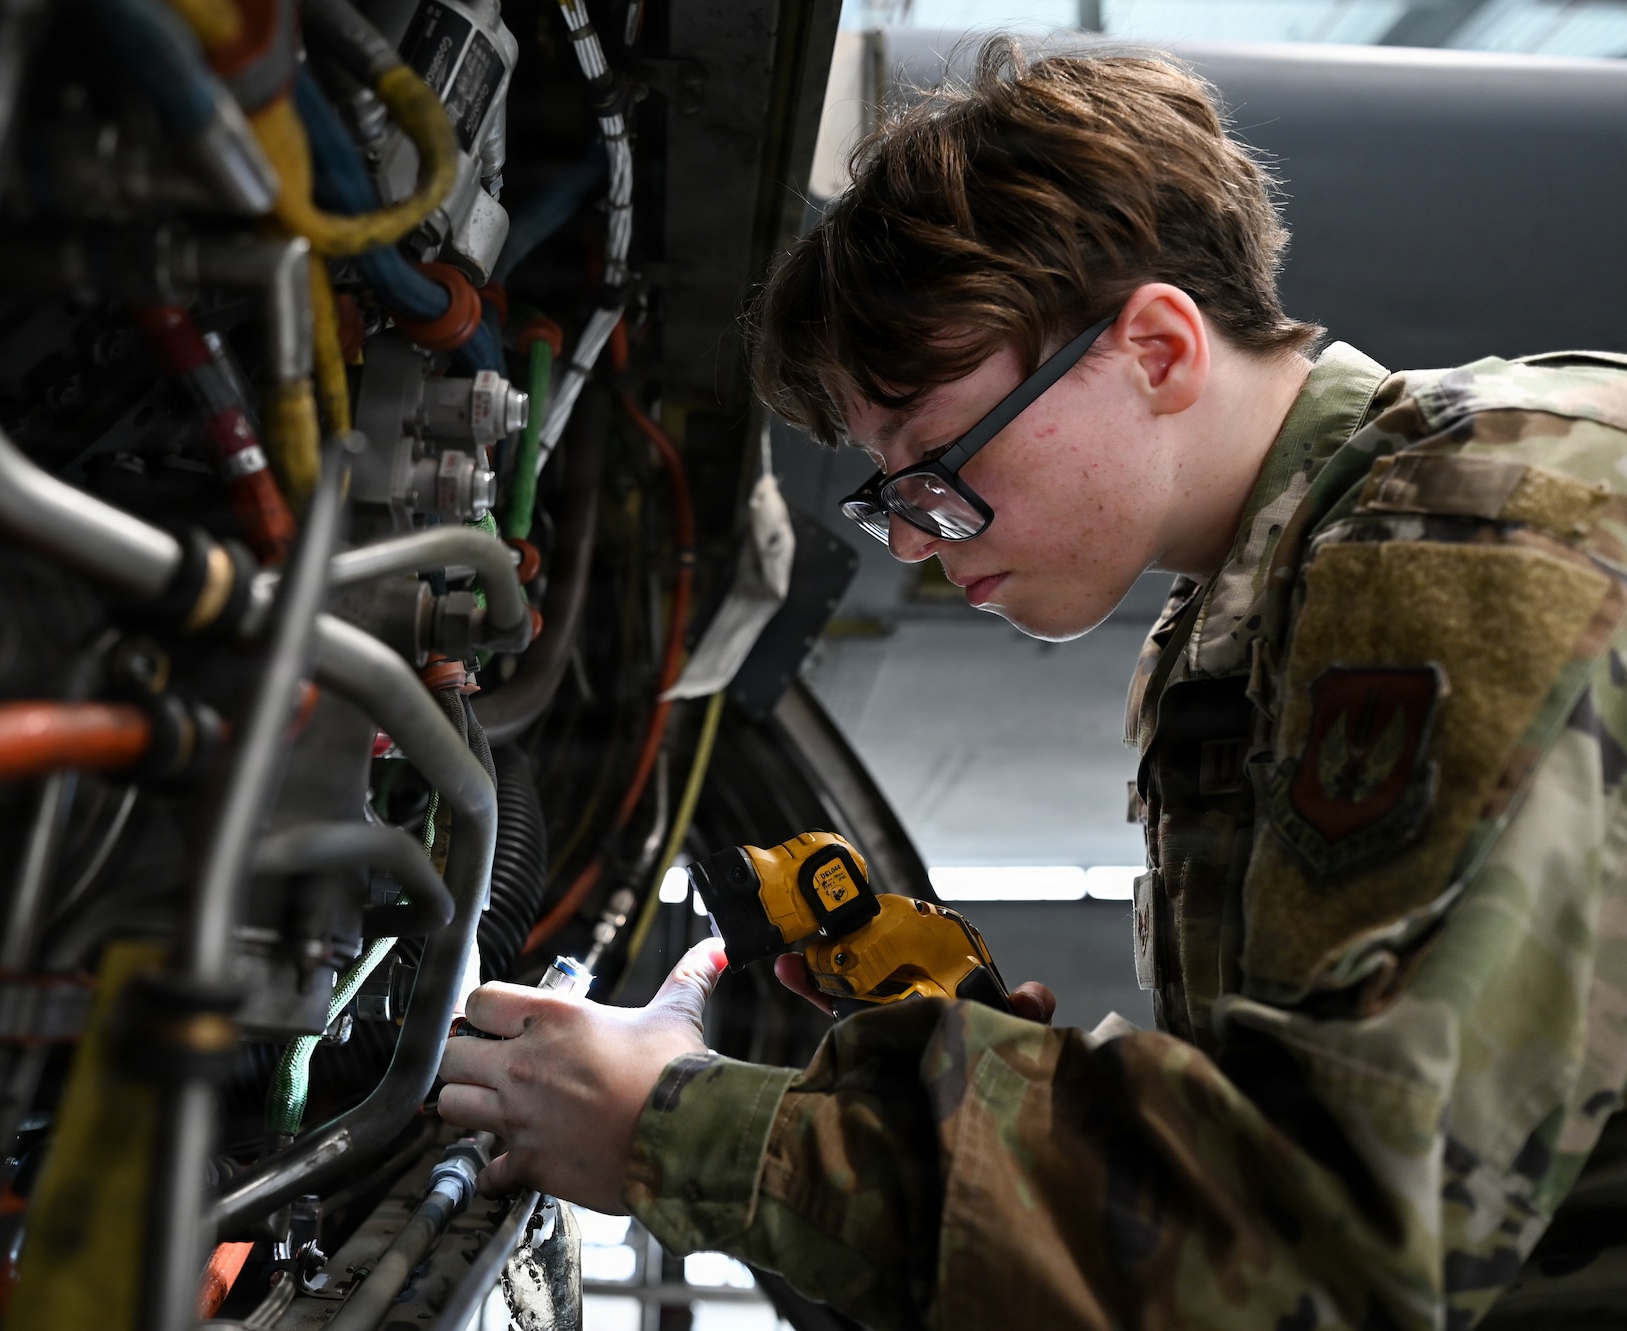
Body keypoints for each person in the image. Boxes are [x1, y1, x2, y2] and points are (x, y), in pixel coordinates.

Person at [437, 36, 1627, 1330]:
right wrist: (989, 1083)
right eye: (887, 487)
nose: (901, 536)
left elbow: (1328, 1247)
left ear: (1159, 351)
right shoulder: (1270, 599)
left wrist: (675, 1127)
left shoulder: (1467, 547)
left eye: (934, 464)